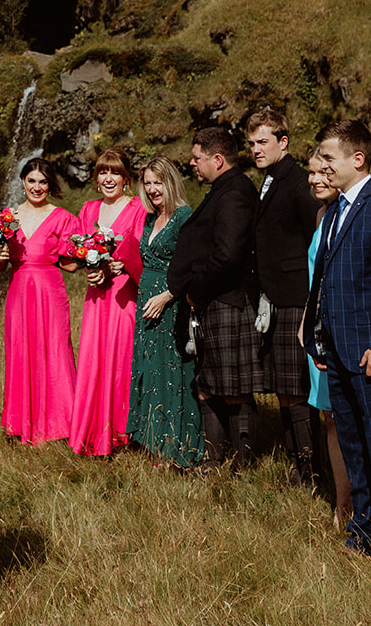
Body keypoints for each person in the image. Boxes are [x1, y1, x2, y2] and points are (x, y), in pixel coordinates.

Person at [303, 119, 371, 559]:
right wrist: (319, 341)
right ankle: (363, 531)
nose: (320, 165)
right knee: (356, 449)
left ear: (356, 160)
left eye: (328, 158)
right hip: (339, 355)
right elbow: (327, 283)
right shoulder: (336, 211)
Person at [167, 126, 260, 470]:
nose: (192, 163)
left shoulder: (234, 191)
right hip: (214, 302)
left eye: (197, 158)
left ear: (217, 160)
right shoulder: (223, 188)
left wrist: (195, 291)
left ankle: (243, 465)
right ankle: (214, 460)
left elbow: (228, 255)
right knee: (208, 384)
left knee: (232, 386)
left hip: (227, 300)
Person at [247, 106, 319, 483]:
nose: (256, 149)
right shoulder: (270, 179)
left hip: (297, 297)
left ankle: (307, 468)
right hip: (275, 298)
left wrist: (312, 300)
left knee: (295, 388)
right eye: (252, 143)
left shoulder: (298, 181)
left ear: (283, 141)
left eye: (263, 142)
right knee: (284, 389)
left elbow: (316, 241)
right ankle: (298, 462)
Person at [65, 148, 145, 457]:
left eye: (114, 172)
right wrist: (91, 269)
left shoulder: (138, 208)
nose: (108, 178)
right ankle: (96, 431)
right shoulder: (88, 210)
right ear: (97, 178)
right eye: (103, 172)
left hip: (125, 295)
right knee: (94, 360)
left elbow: (143, 251)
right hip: (96, 297)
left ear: (126, 177)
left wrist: (123, 265)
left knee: (121, 360)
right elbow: (80, 251)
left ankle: (125, 434)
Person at [125, 158, 203, 468]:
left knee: (173, 373)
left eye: (158, 182)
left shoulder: (185, 217)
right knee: (149, 371)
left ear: (170, 182)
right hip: (146, 304)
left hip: (170, 305)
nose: (152, 188)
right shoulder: (148, 218)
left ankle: (177, 447)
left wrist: (167, 295)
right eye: (147, 183)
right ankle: (153, 443)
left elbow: (192, 266)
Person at [0, 156, 79, 444]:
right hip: (19, 292)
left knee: (55, 350)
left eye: (43, 182)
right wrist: (0, 255)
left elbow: (71, 266)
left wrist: (69, 250)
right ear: (22, 182)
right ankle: (23, 424)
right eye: (31, 180)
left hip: (50, 291)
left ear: (49, 185)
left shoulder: (64, 217)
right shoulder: (7, 218)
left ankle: (61, 425)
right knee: (21, 352)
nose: (37, 186)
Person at [298, 153, 351, 529]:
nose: (316, 179)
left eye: (323, 172)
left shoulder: (354, 214)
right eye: (312, 173)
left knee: (351, 418)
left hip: (346, 331)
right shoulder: (320, 216)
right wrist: (304, 322)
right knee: (329, 418)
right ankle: (342, 503)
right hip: (317, 332)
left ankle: (360, 501)